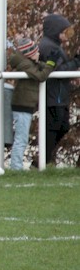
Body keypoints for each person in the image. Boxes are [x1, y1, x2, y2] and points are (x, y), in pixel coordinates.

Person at [37, 14, 79, 165]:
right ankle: (41, 162)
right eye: (64, 31)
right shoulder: (49, 47)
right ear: (56, 31)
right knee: (54, 128)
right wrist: (76, 61)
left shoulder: (54, 46)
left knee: (62, 126)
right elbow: (58, 70)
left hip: (58, 95)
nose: (67, 35)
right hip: (53, 96)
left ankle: (43, 160)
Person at [8, 38, 55, 171]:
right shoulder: (25, 64)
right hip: (23, 105)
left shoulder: (27, 63)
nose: (39, 54)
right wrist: (51, 63)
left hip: (25, 104)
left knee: (21, 138)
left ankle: (16, 167)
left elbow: (40, 68)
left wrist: (47, 64)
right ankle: (16, 168)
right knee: (21, 139)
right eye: (36, 51)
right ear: (29, 53)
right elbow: (41, 76)